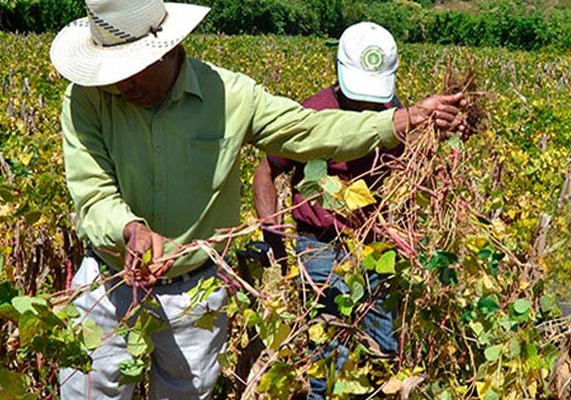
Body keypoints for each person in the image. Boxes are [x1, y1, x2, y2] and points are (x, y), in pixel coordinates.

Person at [50, 1, 466, 398]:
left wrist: (401, 119)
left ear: (169, 48)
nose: (122, 83)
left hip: (194, 294)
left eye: (134, 69)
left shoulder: (231, 95)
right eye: (114, 71)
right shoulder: (86, 98)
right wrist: (130, 230)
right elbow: (93, 192)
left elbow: (309, 131)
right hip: (110, 284)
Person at [251, 22, 408, 399]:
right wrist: (274, 238)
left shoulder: (397, 113)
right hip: (319, 246)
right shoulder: (312, 113)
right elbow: (266, 172)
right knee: (327, 356)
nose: (367, 106)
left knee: (384, 348)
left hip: (375, 248)